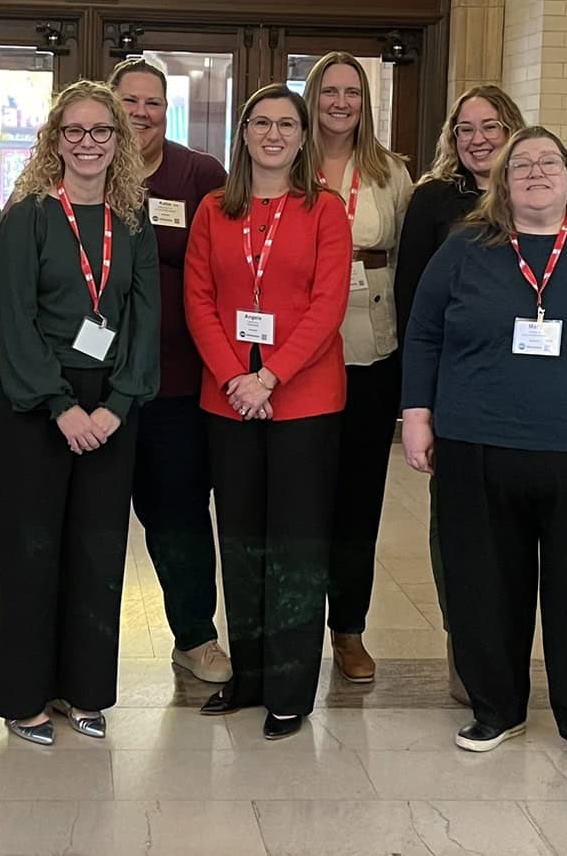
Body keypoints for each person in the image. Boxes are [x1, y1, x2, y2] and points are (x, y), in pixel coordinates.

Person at [402, 126, 567, 773]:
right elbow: (425, 332)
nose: (535, 172)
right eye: (521, 163)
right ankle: (495, 708)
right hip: (479, 442)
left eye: (549, 161)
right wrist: (416, 414)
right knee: (485, 584)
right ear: (502, 179)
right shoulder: (467, 244)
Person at [0, 80, 160, 746]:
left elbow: (146, 318)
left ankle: (84, 690)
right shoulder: (28, 213)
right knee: (32, 553)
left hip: (114, 404)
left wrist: (117, 405)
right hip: (36, 404)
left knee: (97, 551)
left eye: (101, 131)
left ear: (120, 141)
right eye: (75, 131)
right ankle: (23, 697)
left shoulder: (133, 221)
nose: (88, 143)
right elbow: (15, 323)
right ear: (54, 139)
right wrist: (61, 404)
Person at [186, 84, 352, 740]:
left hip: (304, 401)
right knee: (243, 542)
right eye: (262, 122)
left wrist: (271, 375)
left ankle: (289, 685)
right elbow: (197, 299)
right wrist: (236, 377)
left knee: (296, 548)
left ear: (304, 137)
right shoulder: (211, 210)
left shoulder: (325, 211)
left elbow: (327, 305)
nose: (274, 133)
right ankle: (249, 674)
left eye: (288, 123)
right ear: (244, 132)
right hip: (228, 402)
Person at [392, 82, 524, 702]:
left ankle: (511, 651)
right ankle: (464, 650)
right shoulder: (433, 199)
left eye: (491, 126)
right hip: (457, 386)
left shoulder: (536, 191)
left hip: (528, 389)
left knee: (518, 524)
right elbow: (414, 303)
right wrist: (420, 400)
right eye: (466, 128)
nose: (478, 139)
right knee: (459, 527)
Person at [110, 58, 231, 685]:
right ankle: (80, 649)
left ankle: (195, 637)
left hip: (179, 384)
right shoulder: (84, 167)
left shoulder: (200, 175)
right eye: (128, 101)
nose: (140, 113)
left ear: (167, 110)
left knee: (179, 516)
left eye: (152, 102)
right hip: (97, 387)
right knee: (95, 522)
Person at [303, 52, 413, 685]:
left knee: (357, 500)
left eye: (353, 92)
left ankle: (349, 628)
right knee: (299, 497)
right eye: (330, 91)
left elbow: (403, 261)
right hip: (298, 356)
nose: (341, 102)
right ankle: (287, 619)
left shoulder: (389, 173)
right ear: (313, 96)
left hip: (369, 350)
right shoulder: (289, 163)